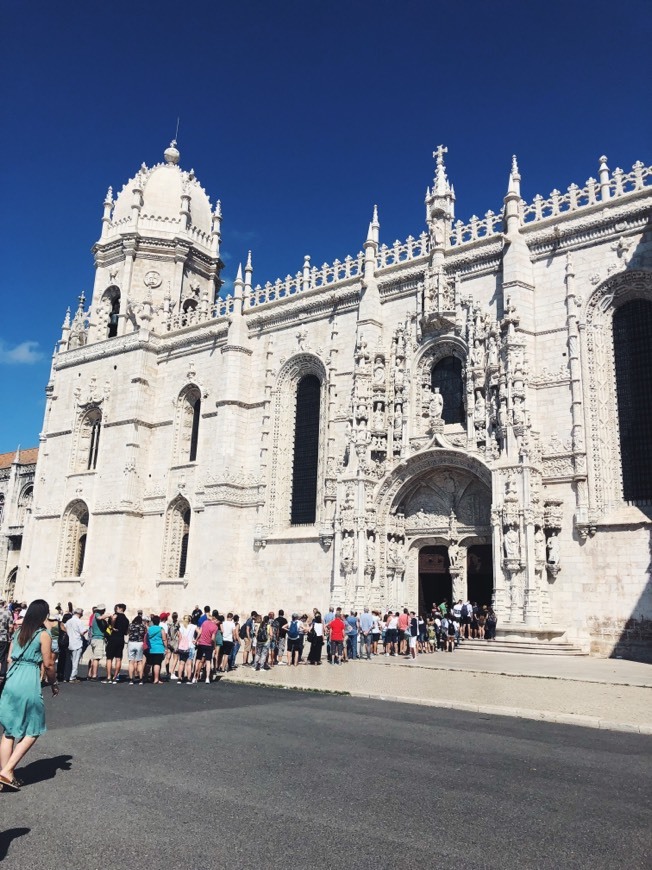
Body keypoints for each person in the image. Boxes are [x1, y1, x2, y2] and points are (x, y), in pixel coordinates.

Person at [0, 599, 59, 790]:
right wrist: (54, 683)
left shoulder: (18, 632)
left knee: (9, 730)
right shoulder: (43, 634)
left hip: (12, 678)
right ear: (43, 615)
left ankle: (6, 774)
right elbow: (49, 663)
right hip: (27, 679)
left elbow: (9, 658)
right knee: (35, 727)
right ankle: (7, 771)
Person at [105, 603, 129, 683]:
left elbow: (113, 620)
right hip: (121, 639)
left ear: (119, 608)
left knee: (109, 658)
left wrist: (112, 627)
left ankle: (109, 677)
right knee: (118, 658)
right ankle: (115, 677)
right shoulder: (126, 619)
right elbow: (126, 632)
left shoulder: (115, 615)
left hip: (113, 638)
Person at [193, 610, 217, 683]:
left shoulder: (204, 623)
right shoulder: (215, 627)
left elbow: (199, 632)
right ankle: (207, 678)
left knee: (197, 660)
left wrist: (196, 640)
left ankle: (194, 677)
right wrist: (214, 645)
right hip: (208, 645)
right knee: (208, 661)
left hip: (201, 643)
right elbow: (213, 638)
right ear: (214, 619)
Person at [87, 605, 107, 681]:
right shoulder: (97, 615)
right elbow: (99, 618)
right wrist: (108, 615)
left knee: (93, 657)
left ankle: (90, 673)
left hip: (94, 638)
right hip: (98, 638)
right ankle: (94, 675)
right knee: (97, 658)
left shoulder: (94, 615)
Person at [66, 607, 87, 681]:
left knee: (70, 660)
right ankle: (73, 677)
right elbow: (82, 632)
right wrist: (86, 630)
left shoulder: (68, 621)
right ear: (80, 614)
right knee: (76, 661)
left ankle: (68, 675)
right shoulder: (79, 621)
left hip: (69, 642)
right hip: (77, 642)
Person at [146, 615, 167, 684]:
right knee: (157, 664)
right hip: (159, 648)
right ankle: (156, 679)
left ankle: (146, 676)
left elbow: (146, 638)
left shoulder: (149, 629)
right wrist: (166, 647)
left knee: (149, 663)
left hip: (151, 648)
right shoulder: (161, 629)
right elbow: (164, 639)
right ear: (159, 622)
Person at [127, 613, 146, 684]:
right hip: (139, 643)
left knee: (131, 662)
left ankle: (131, 679)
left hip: (131, 643)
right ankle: (141, 679)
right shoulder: (143, 626)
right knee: (139, 662)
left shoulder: (131, 625)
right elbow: (145, 633)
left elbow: (127, 632)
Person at [176, 615, 196, 682]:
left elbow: (180, 638)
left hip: (182, 646)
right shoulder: (193, 626)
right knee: (189, 663)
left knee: (181, 663)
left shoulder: (181, 627)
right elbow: (200, 632)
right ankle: (188, 678)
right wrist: (196, 639)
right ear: (190, 620)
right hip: (190, 646)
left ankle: (179, 678)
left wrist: (179, 646)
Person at [0, 598, 13, 687]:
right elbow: (11, 626)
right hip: (3, 637)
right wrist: (9, 634)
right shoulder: (7, 612)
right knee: (2, 656)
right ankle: (2, 674)